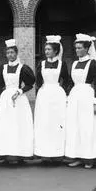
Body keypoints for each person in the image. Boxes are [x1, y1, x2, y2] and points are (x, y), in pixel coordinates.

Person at [65, 34, 96, 169]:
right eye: (76, 48)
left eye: (79, 48)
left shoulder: (93, 64)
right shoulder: (75, 63)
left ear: (87, 49)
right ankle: (77, 156)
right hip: (74, 97)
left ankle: (89, 158)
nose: (77, 50)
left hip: (87, 97)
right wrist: (67, 97)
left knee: (87, 127)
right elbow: (71, 83)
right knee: (75, 127)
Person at [0, 39, 36, 164]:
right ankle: (6, 154)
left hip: (18, 99)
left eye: (12, 53)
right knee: (6, 125)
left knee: (18, 125)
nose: (10, 55)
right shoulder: (3, 68)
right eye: (8, 53)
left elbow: (30, 83)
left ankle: (19, 154)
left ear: (16, 53)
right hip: (6, 98)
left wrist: (20, 91)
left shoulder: (23, 68)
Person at [34, 35, 70, 164]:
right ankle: (44, 153)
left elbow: (67, 80)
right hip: (44, 96)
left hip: (57, 96)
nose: (46, 51)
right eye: (45, 49)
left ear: (55, 51)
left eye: (49, 49)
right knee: (44, 123)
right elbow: (37, 80)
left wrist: (64, 93)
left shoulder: (62, 64)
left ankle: (56, 153)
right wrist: (41, 89)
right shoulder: (41, 64)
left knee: (56, 124)